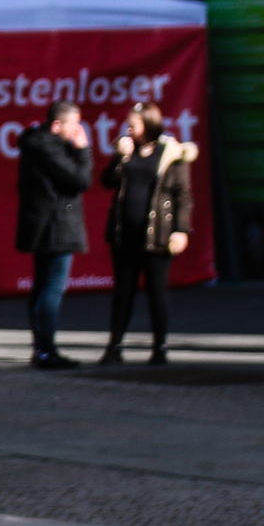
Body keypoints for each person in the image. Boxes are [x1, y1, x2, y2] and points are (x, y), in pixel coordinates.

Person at [98, 102, 197, 365]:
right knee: (124, 291)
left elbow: (183, 196)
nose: (128, 129)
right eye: (128, 125)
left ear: (149, 124)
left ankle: (160, 346)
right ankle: (114, 347)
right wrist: (119, 157)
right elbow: (106, 181)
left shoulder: (171, 153)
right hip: (125, 235)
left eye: (134, 125)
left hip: (157, 234)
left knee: (157, 290)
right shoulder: (127, 150)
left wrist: (181, 230)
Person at [13, 100, 95, 369]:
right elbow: (79, 179)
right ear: (57, 124)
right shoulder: (48, 148)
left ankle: (41, 347)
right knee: (53, 287)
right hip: (55, 226)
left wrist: (71, 147)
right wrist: (83, 151)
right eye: (73, 125)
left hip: (45, 225)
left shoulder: (39, 145)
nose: (77, 131)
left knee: (42, 285)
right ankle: (46, 349)